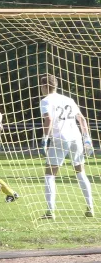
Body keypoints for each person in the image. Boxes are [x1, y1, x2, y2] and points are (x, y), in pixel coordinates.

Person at [39, 74, 94, 219]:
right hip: (76, 137)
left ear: (45, 86)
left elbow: (49, 119)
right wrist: (87, 139)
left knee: (50, 174)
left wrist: (45, 138)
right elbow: (81, 119)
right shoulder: (68, 99)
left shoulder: (45, 100)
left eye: (41, 86)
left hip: (60, 138)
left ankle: (50, 211)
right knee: (80, 172)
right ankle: (90, 207)